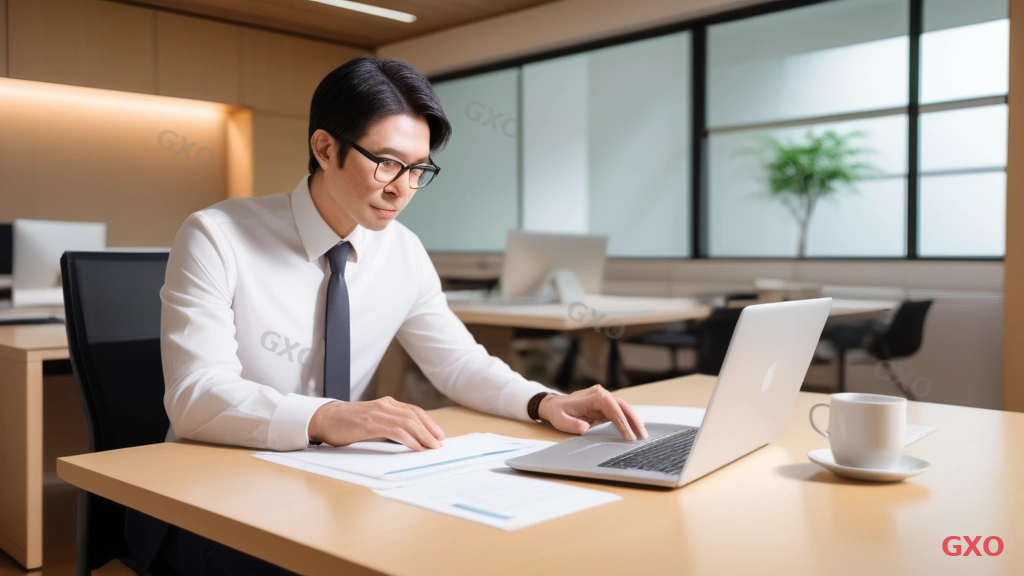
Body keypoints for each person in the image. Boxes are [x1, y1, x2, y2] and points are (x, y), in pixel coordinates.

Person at [126, 55, 648, 576]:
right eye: (388, 163)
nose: (402, 189)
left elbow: (459, 365)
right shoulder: (217, 236)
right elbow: (194, 397)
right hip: (214, 497)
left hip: (334, 486)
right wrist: (329, 416)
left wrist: (544, 401)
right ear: (325, 148)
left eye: (419, 169)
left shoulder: (402, 251)